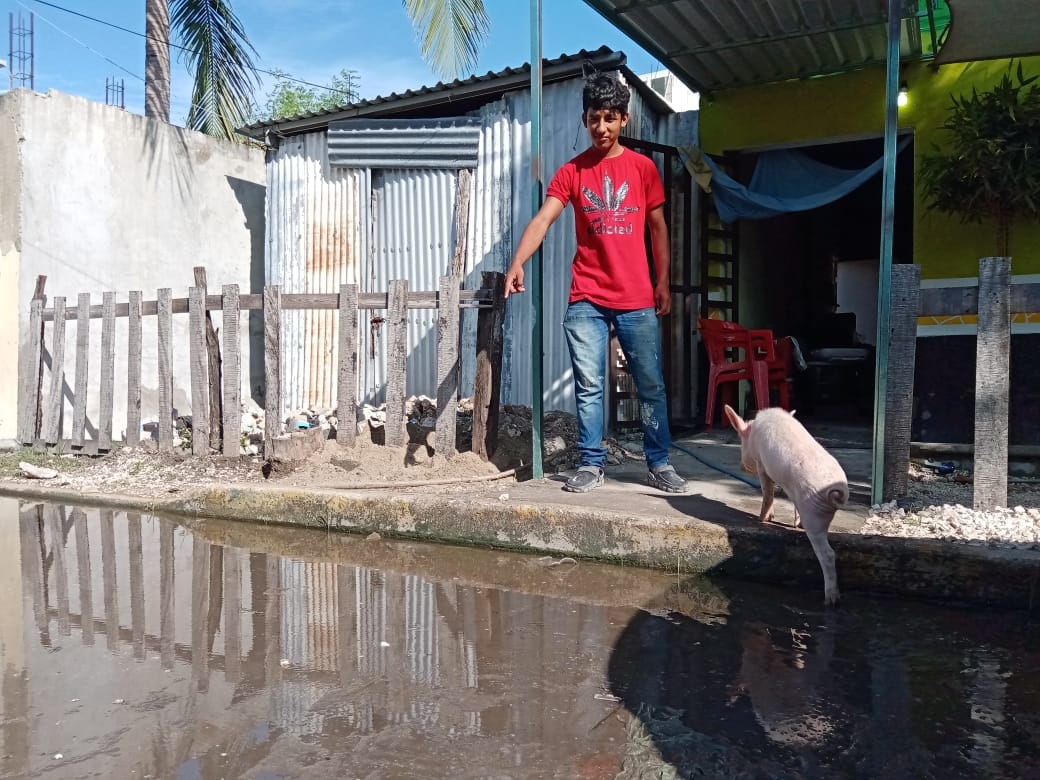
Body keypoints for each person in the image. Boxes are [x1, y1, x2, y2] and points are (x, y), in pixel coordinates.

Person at [503, 70, 688, 494]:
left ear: (623, 119)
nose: (600, 127)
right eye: (593, 119)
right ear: (584, 121)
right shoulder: (571, 172)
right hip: (586, 297)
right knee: (589, 387)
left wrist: (663, 283)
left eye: (609, 118)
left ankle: (659, 463)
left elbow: (658, 229)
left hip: (637, 296)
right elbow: (544, 219)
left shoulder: (643, 169)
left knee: (650, 384)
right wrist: (518, 263)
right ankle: (591, 463)